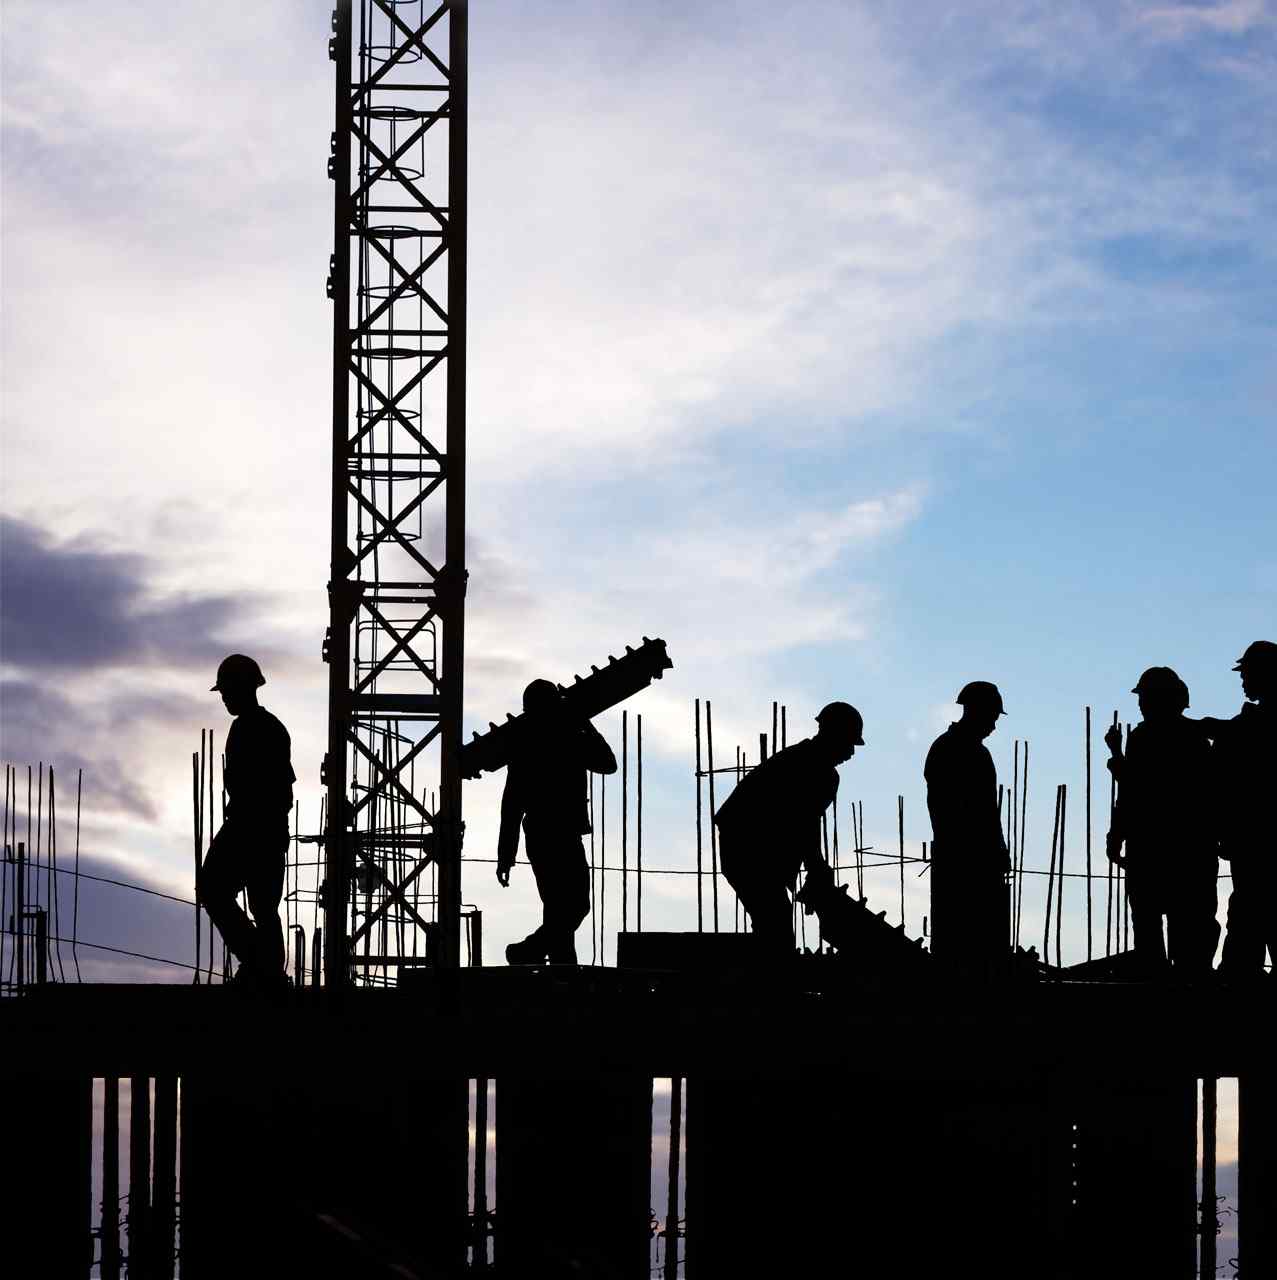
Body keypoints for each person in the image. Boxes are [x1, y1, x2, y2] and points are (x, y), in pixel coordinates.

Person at [712, 702, 864, 956]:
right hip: (746, 850)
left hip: (748, 850)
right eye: (849, 743)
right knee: (775, 922)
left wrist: (816, 868)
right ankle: (771, 974)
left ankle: (769, 966)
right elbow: (803, 822)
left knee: (773, 921)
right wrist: (816, 867)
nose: (851, 753)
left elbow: (805, 824)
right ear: (833, 736)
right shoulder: (812, 769)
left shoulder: (806, 762)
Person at [1104, 667, 1219, 978]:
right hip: (1188, 848)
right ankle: (1182, 980)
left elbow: (1138, 790)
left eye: (1146, 698)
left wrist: (1116, 757)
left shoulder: (1147, 737)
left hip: (1160, 847)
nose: (1141, 705)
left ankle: (1165, 983)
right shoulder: (1195, 737)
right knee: (1181, 927)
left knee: (1157, 925)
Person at [498, 679, 617, 964]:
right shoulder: (567, 738)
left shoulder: (530, 743)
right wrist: (584, 723)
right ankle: (529, 952)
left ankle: (555, 965)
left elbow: (511, 806)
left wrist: (506, 856)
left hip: (546, 835)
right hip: (557, 835)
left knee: (559, 910)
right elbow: (608, 762)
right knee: (573, 906)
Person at [197, 654, 296, 988]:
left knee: (218, 890)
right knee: (263, 907)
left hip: (251, 827)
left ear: (243, 688)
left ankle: (260, 965)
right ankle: (265, 969)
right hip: (264, 828)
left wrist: (252, 823)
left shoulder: (254, 729)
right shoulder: (267, 728)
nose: (224, 698)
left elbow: (273, 789)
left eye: (227, 691)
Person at [924, 682, 1010, 977]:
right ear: (975, 712)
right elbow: (952, 809)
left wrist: (997, 848)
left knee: (981, 944)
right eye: (992, 718)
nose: (994, 726)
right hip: (962, 859)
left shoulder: (968, 751)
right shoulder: (951, 750)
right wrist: (986, 849)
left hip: (974, 856)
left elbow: (988, 811)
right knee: (961, 943)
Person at [1203, 641, 1277, 983]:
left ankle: (1240, 974)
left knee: (1253, 906)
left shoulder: (1252, 725)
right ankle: (1240, 971)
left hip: (1258, 837)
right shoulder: (1248, 724)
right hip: (1249, 837)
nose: (1243, 681)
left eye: (1247, 674)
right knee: (1250, 906)